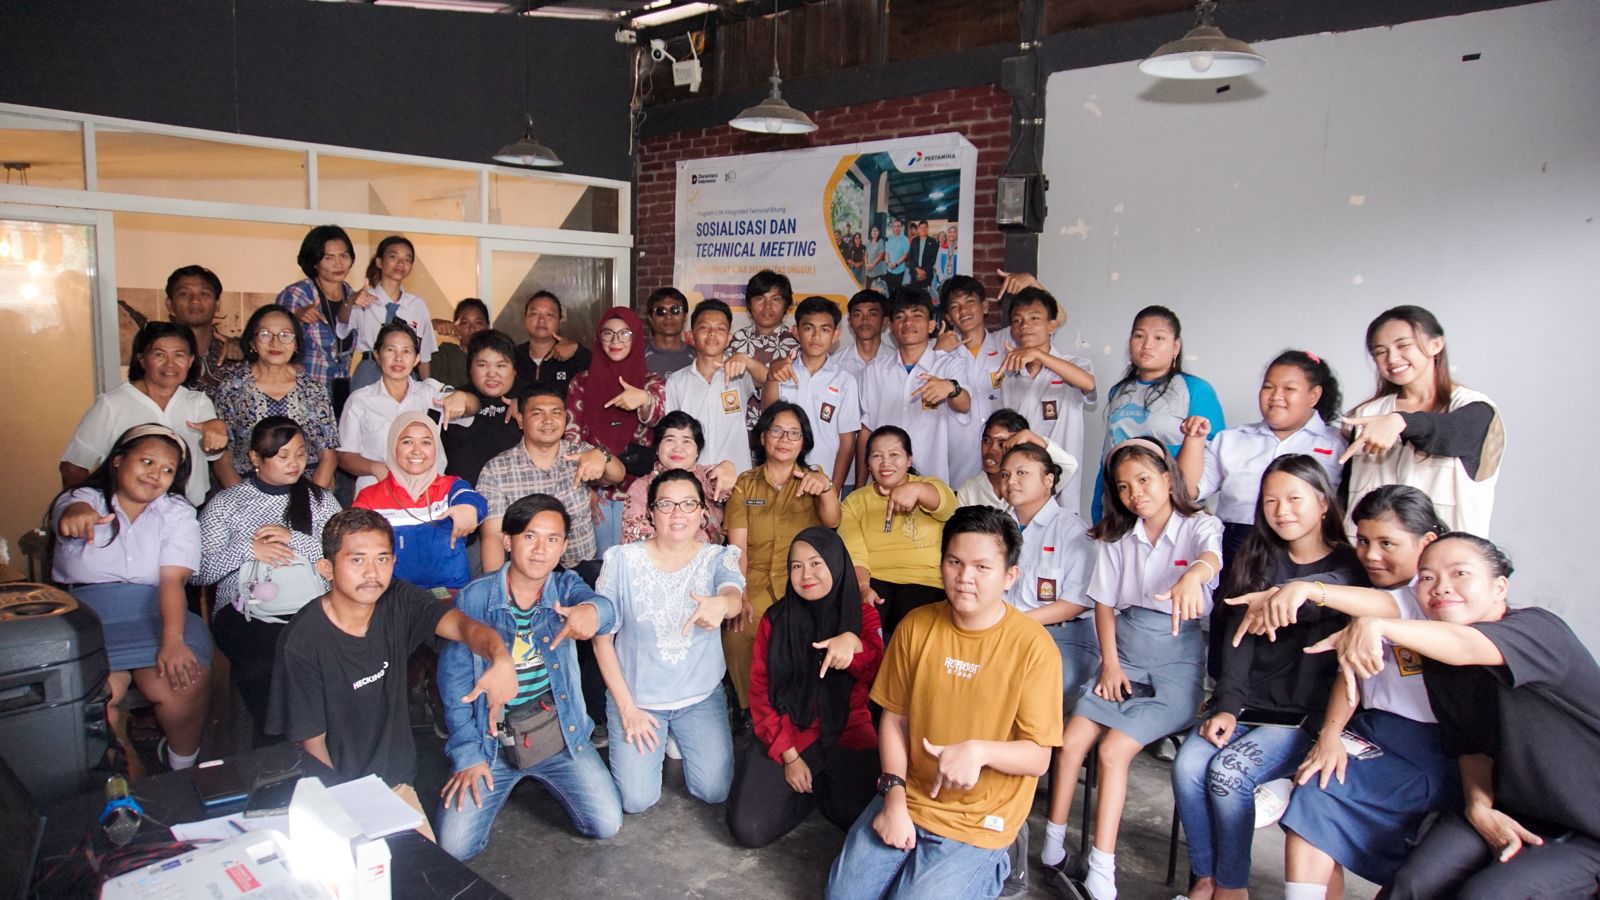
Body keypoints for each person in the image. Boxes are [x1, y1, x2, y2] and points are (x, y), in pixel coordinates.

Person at [1311, 534, 1600, 900]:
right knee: (1412, 884)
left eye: (1460, 573)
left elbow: (1466, 646)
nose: (1441, 587)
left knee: (1487, 895)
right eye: (1427, 577)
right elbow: (1471, 749)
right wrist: (1479, 807)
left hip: (1589, 827)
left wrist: (1375, 624)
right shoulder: (1441, 663)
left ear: (1499, 587)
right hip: (1513, 808)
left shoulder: (1539, 630)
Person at [825, 506, 1064, 900]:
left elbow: (1039, 757)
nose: (965, 577)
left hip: (980, 818)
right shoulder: (916, 626)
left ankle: (1002, 858)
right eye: (955, 562)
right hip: (911, 795)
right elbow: (894, 718)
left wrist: (979, 752)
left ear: (1010, 576)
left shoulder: (1034, 647)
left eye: (982, 567)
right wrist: (894, 797)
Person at [1171, 456, 1375, 900]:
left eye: (1294, 499)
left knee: (1227, 774)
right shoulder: (1257, 555)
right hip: (1248, 705)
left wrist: (1285, 598)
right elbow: (1237, 642)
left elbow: (1326, 595)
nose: (1282, 511)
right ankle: (1206, 878)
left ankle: (1231, 888)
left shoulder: (1349, 568)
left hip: (1303, 718)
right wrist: (1227, 706)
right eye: (1270, 501)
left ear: (1324, 502)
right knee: (1187, 767)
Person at [1038, 439, 1220, 898]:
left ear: (1167, 477)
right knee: (1072, 739)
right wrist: (1110, 667)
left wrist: (1194, 576)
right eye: (1123, 487)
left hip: (1176, 662)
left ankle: (1102, 871)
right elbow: (1103, 606)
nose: (1135, 493)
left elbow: (1210, 558)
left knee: (1113, 750)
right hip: (1124, 652)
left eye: (1144, 480)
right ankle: (1053, 848)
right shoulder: (1118, 537)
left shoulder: (1200, 524)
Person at [266, 508, 518, 839]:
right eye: (357, 560)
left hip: (397, 785)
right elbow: (313, 747)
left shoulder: (398, 600)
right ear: (327, 568)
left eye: (382, 559)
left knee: (428, 867)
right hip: (337, 793)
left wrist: (500, 657)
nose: (372, 572)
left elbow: (462, 626)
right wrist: (343, 821)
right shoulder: (302, 641)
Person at [1277, 486, 1455, 897]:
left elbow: (1392, 609)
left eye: (1387, 543)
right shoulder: (1379, 595)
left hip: (1431, 749)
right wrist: (1330, 736)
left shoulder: (1437, 599)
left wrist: (1309, 590)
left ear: (1426, 541)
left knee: (1319, 795)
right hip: (1372, 732)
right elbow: (1350, 675)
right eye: (1363, 541)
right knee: (1315, 791)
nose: (1371, 555)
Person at [435, 494, 623, 860]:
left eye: (552, 539)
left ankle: (542, 773)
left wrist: (590, 611)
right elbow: (454, 687)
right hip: (491, 742)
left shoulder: (565, 587)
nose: (541, 549)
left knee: (607, 823)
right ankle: (507, 774)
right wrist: (468, 755)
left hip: (557, 733)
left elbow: (605, 609)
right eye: (530, 536)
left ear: (563, 546)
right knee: (454, 846)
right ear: (507, 540)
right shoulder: (475, 600)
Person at [53, 423, 212, 777]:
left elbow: (172, 581)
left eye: (168, 470)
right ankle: (120, 762)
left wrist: (173, 641)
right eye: (147, 462)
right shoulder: (83, 498)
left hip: (157, 610)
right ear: (118, 461)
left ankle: (182, 766)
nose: (156, 475)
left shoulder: (176, 511)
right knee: (99, 698)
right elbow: (69, 514)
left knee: (183, 680)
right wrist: (75, 516)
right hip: (87, 618)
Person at [1177, 349, 1345, 675]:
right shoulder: (1231, 439)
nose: (1275, 396)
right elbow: (1188, 492)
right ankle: (1225, 698)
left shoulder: (1339, 443)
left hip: (1304, 553)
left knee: (1291, 646)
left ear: (1314, 395)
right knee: (1233, 640)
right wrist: (1194, 441)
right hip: (1239, 548)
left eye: (1288, 388)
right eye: (1268, 387)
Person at [593, 470, 745, 813]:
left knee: (714, 791)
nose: (678, 513)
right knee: (636, 800)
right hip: (639, 699)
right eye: (666, 504)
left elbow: (732, 594)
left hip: (699, 697)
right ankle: (657, 735)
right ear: (651, 513)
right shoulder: (622, 560)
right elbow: (602, 641)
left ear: (703, 513)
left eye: (688, 504)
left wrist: (722, 604)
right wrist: (627, 709)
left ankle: (678, 733)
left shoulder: (717, 558)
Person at [727, 527, 882, 848]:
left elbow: (881, 677)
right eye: (796, 566)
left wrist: (853, 646)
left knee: (862, 819)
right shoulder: (776, 619)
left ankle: (825, 786)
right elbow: (760, 693)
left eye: (815, 563)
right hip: (791, 731)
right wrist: (790, 757)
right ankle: (811, 788)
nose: (806, 575)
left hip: (847, 731)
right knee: (749, 828)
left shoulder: (863, 615)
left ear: (836, 564)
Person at [195, 416, 339, 747]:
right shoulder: (227, 503)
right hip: (244, 610)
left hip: (311, 604)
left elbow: (343, 557)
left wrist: (294, 540)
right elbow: (200, 572)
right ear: (255, 459)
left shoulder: (321, 500)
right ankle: (281, 748)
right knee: (267, 663)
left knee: (324, 655)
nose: (295, 463)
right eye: (283, 455)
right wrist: (248, 550)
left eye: (300, 454)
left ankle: (317, 742)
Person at [1342, 305, 1504, 536]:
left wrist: (1401, 421)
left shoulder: (1476, 409)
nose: (1392, 358)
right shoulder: (1367, 414)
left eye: (1403, 345)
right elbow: (1346, 493)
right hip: (1372, 554)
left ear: (1436, 345)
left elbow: (1449, 435)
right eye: (1380, 351)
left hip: (1446, 554)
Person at [725, 402, 842, 717]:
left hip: (802, 581)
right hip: (757, 579)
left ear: (804, 441)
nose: (784, 439)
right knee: (738, 630)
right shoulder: (745, 484)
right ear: (763, 437)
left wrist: (827, 489)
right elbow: (738, 549)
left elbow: (832, 521)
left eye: (794, 433)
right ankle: (750, 711)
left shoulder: (814, 480)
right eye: (776, 430)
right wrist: (740, 593)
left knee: (802, 631)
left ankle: (795, 710)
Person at [62, 321, 228, 507]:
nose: (170, 364)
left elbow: (213, 453)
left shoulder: (198, 402)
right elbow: (73, 466)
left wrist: (217, 434)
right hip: (127, 514)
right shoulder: (111, 404)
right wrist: (83, 507)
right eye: (159, 354)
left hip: (187, 513)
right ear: (141, 359)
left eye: (179, 355)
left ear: (190, 361)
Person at [476, 384, 625, 575]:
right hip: (526, 571)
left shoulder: (579, 452)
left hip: (581, 570)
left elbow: (618, 475)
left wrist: (602, 454)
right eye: (538, 413)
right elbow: (493, 536)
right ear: (520, 419)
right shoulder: (496, 469)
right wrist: (497, 586)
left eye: (556, 413)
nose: (548, 420)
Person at [1093, 305, 1224, 522]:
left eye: (1159, 338)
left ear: (1176, 346)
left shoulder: (1196, 390)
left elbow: (1213, 458)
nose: (1147, 345)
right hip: (1122, 508)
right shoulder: (1119, 391)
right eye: (1139, 336)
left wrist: (1184, 494)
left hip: (1172, 513)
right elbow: (1108, 454)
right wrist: (1099, 509)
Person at [999, 443, 1099, 712]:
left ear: (1048, 480)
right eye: (1006, 474)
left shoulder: (1072, 530)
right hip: (1005, 633)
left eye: (1022, 473)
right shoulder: (997, 527)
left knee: (1033, 696)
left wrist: (1016, 623)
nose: (1011, 481)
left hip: (1062, 638)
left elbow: (1077, 601)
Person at [838, 426, 957, 640]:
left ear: (909, 460)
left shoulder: (929, 485)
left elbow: (948, 507)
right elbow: (855, 554)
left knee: (911, 629)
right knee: (862, 627)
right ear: (867, 463)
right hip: (874, 579)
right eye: (877, 456)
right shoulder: (854, 502)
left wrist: (917, 490)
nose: (885, 463)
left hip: (925, 581)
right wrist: (863, 588)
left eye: (894, 455)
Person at [564, 307, 667, 556]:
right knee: (597, 567)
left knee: (636, 567)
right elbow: (572, 438)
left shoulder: (651, 382)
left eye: (624, 334)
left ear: (636, 338)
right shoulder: (582, 382)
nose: (615, 340)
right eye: (608, 333)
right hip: (595, 493)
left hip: (640, 494)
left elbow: (661, 418)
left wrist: (643, 398)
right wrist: (585, 490)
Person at [337, 321, 476, 494]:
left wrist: (463, 397)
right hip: (377, 493)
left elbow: (472, 407)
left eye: (406, 351)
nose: (398, 358)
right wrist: (375, 467)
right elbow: (345, 455)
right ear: (377, 356)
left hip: (427, 494)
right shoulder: (359, 401)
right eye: (390, 350)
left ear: (416, 359)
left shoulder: (430, 392)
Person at [353, 413, 485, 594]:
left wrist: (469, 508)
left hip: (450, 594)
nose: (417, 450)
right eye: (407, 442)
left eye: (426, 442)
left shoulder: (451, 486)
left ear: (436, 448)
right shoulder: (369, 497)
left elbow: (472, 499)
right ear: (393, 446)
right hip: (394, 596)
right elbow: (355, 545)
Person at [211, 304, 339, 490]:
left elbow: (328, 455)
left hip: (306, 487)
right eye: (265, 334)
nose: (275, 342)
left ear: (296, 344)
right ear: (252, 342)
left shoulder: (313, 390)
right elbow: (223, 457)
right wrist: (242, 499)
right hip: (249, 489)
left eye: (285, 335)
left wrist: (312, 500)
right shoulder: (232, 388)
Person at [857, 287, 970, 486]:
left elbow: (965, 404)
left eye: (917, 316)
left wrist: (951, 388)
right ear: (891, 326)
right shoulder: (874, 371)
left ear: (931, 325)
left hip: (931, 481)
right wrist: (860, 485)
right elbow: (867, 430)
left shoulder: (948, 365)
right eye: (900, 316)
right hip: (883, 481)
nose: (908, 322)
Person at [997, 286, 1097, 505]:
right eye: (1017, 320)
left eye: (1034, 318)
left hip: (1063, 482)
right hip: (1021, 485)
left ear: (1052, 326)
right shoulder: (1010, 375)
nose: (1025, 326)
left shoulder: (1074, 365)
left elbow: (1088, 383)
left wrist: (1039, 355)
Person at [764, 296, 863, 492]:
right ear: (796, 332)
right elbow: (767, 420)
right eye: (809, 328)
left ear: (835, 335)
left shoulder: (844, 381)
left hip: (823, 481)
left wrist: (834, 488)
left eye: (825, 330)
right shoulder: (781, 371)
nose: (816, 336)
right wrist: (771, 376)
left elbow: (847, 442)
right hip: (780, 480)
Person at [664, 300, 768, 471]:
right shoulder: (676, 381)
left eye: (720, 329)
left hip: (736, 475)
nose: (712, 333)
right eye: (704, 327)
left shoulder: (740, 375)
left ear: (728, 339)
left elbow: (770, 379)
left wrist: (746, 360)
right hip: (691, 476)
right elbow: (670, 432)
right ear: (690, 336)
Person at [934, 275, 1007, 488]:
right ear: (948, 316)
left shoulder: (1005, 343)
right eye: (955, 306)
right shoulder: (939, 351)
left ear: (985, 306)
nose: (963, 310)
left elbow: (1054, 320)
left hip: (1003, 455)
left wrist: (1030, 282)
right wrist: (937, 352)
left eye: (969, 302)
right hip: (958, 455)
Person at [620, 412, 735, 544]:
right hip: (658, 555)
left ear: (697, 451)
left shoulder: (706, 478)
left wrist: (727, 466)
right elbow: (636, 540)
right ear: (657, 448)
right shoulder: (641, 488)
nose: (678, 448)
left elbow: (719, 483)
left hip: (707, 555)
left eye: (686, 441)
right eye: (670, 440)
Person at [340, 235, 438, 389]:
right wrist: (350, 301)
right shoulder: (364, 298)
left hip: (403, 373)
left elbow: (424, 356)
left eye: (407, 259)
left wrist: (427, 389)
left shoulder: (417, 305)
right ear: (379, 262)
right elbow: (341, 325)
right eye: (394, 257)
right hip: (370, 371)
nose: (401, 263)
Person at [275, 224, 357, 405]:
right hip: (301, 393)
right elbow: (274, 336)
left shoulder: (353, 296)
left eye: (344, 256)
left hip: (341, 394)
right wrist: (295, 317)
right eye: (329, 258)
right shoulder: (297, 294)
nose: (338, 264)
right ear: (314, 262)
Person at [440, 330, 524, 488]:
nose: (492, 374)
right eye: (482, 365)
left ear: (514, 369)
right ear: (470, 368)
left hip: (518, 495)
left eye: (501, 365)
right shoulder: (453, 400)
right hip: (464, 497)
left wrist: (528, 406)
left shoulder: (530, 399)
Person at [956, 409, 1078, 510]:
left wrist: (1032, 437)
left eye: (1002, 444)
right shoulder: (969, 490)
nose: (991, 450)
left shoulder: (1035, 484)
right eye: (987, 440)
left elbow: (1070, 466)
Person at [731, 270, 801, 428]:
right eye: (759, 298)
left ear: (786, 305)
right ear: (749, 304)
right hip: (737, 431)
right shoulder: (735, 340)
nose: (767, 306)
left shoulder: (796, 346)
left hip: (779, 433)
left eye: (775, 299)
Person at [162, 264, 239, 394]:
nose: (195, 301)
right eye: (184, 293)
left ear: (217, 304)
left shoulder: (235, 352)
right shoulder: (155, 355)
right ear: (170, 305)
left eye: (204, 294)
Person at [510, 291, 589, 400]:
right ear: (525, 319)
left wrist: (578, 350)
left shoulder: (576, 358)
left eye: (549, 315)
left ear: (560, 321)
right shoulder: (511, 357)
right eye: (534, 314)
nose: (541, 320)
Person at [833, 289, 897, 383]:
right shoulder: (835, 364)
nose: (865, 320)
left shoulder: (897, 361)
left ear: (885, 320)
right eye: (857, 315)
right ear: (850, 321)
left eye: (872, 314)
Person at [429, 298, 489, 390]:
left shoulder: (497, 357)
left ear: (487, 327)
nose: (472, 328)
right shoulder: (444, 355)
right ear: (456, 326)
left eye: (478, 323)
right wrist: (431, 325)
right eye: (465, 323)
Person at [643, 287, 695, 375]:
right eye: (661, 311)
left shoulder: (698, 358)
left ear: (685, 317)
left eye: (675, 310)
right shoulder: (638, 355)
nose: (668, 316)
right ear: (650, 318)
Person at [907, 221, 939, 290]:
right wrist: (917, 269)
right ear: (918, 229)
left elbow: (933, 259)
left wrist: (924, 272)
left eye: (925, 227)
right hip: (915, 273)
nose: (923, 229)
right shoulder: (914, 240)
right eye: (921, 228)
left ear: (928, 228)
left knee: (926, 294)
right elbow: (910, 257)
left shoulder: (933, 241)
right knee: (914, 293)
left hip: (927, 275)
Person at [883, 219, 910, 291]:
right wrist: (889, 263)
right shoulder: (890, 239)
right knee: (889, 290)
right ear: (893, 228)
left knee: (898, 292)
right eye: (894, 226)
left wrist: (896, 264)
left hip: (899, 271)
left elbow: (905, 255)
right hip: (889, 270)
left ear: (901, 227)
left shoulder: (905, 239)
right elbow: (887, 253)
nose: (896, 228)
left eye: (898, 226)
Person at [863, 226, 888, 290]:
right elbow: (866, 255)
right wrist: (866, 265)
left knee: (876, 289)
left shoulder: (880, 241)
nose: (874, 232)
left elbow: (881, 255)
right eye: (873, 231)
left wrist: (873, 265)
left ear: (878, 232)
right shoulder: (868, 242)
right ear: (871, 232)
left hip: (877, 270)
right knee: (868, 288)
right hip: (868, 269)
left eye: (876, 231)